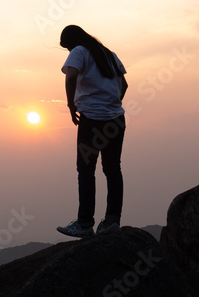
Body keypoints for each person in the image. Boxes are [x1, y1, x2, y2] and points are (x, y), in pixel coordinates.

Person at [55, 25, 128, 238]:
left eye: (66, 48)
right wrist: (111, 105)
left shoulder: (79, 51)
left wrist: (71, 105)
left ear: (71, 43)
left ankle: (85, 224)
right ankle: (112, 221)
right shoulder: (109, 54)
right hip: (116, 120)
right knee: (113, 169)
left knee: (86, 171)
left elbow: (70, 77)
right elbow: (124, 85)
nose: (69, 52)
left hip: (92, 120)